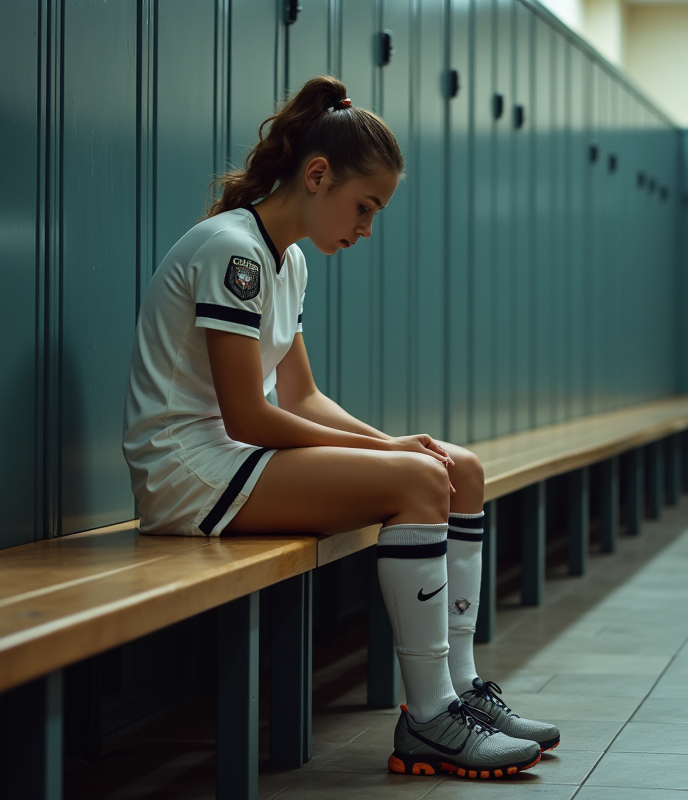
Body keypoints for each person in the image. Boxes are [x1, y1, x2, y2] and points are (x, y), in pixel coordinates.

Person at [122, 75, 559, 780]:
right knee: (419, 479)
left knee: (461, 467)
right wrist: (390, 456)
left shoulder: (285, 260)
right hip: (188, 471)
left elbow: (303, 395)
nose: (365, 227)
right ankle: (430, 719)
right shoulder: (232, 251)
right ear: (317, 175)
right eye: (365, 207)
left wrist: (390, 444)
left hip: (235, 459)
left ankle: (462, 690)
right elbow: (251, 414)